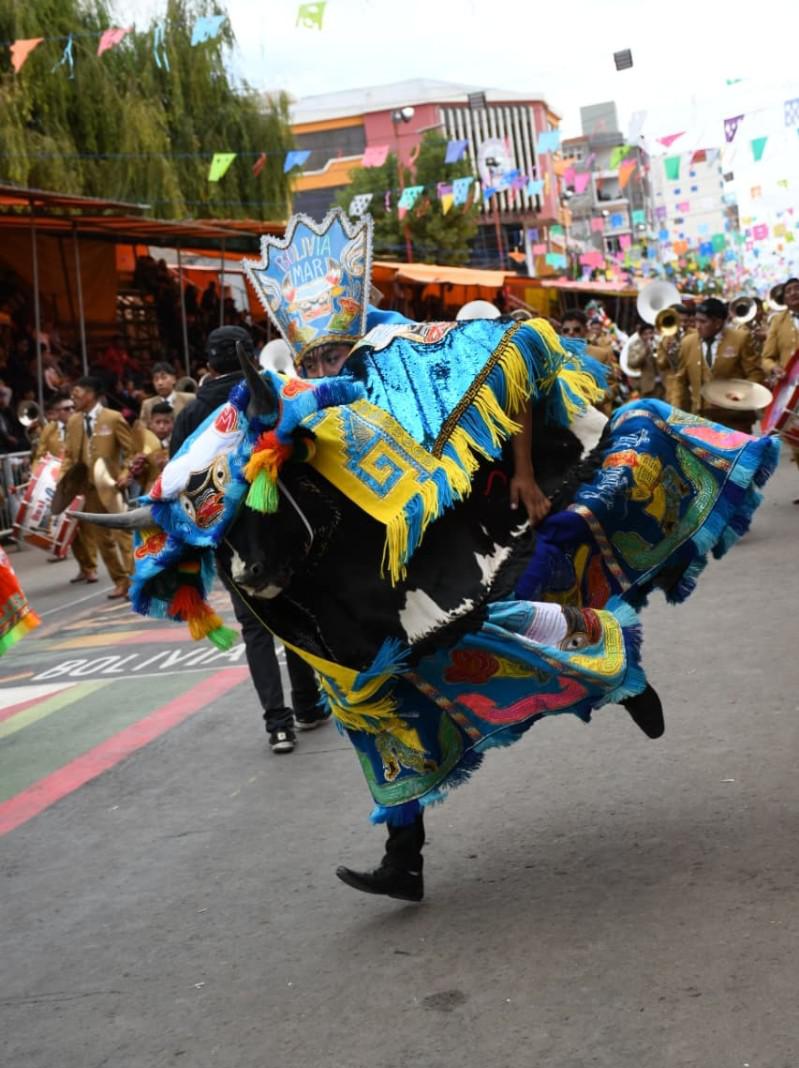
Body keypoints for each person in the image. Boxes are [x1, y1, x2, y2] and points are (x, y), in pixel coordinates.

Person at [88, 209, 779, 904]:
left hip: (443, 539)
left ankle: (612, 666)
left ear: (353, 336)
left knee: (489, 624)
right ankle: (404, 855)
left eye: (334, 353)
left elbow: (520, 352)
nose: (328, 367)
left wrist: (525, 474)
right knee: (369, 709)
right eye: (316, 359)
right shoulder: (282, 416)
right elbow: (217, 494)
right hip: (347, 580)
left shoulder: (400, 355)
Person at [171, 325, 330, 754]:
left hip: (228, 540)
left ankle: (278, 725)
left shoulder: (188, 414)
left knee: (255, 629)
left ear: (207, 364)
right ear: (250, 354)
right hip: (274, 526)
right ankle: (308, 704)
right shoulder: (266, 393)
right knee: (291, 612)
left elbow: (180, 482)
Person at [61, 376, 133, 597]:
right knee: (102, 540)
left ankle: (136, 581)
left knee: (123, 536)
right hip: (88, 490)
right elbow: (69, 456)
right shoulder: (72, 422)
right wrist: (63, 481)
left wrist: (124, 473)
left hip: (112, 487)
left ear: (91, 394)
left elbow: (131, 452)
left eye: (77, 392)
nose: (73, 397)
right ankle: (120, 581)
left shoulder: (113, 418)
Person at [674, 297, 764, 433]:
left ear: (718, 322)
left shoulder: (740, 338)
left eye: (703, 321)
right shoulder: (687, 343)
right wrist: (677, 415)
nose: (697, 326)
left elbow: (755, 374)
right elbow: (680, 382)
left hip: (735, 421)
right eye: (696, 320)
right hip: (700, 420)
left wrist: (741, 395)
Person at [761, 277, 799, 500]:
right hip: (791, 393)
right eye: (790, 291)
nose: (794, 293)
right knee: (796, 442)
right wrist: (774, 368)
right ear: (784, 298)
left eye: (797, 289)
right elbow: (767, 357)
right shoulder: (777, 322)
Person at [623, 323, 664, 399]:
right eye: (645, 334)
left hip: (663, 384)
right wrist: (645, 352)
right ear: (641, 336)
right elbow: (632, 364)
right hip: (648, 387)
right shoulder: (634, 346)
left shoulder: (659, 342)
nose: (649, 336)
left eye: (650, 333)